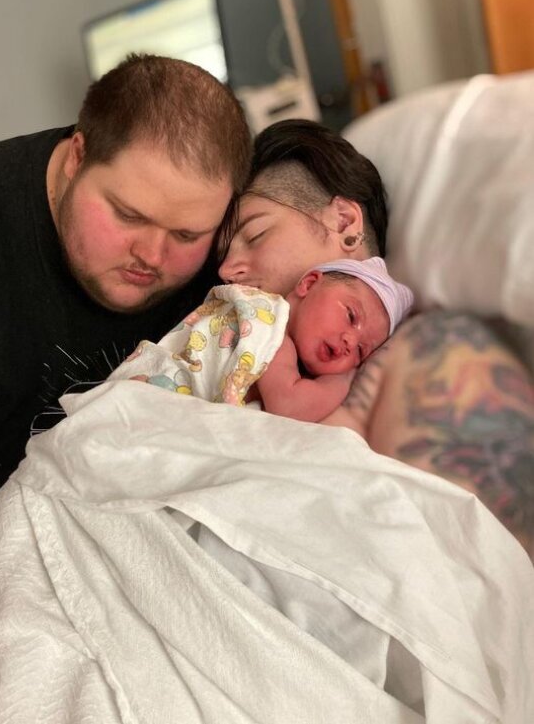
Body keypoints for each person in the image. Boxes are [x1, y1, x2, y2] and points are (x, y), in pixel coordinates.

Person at [0, 52, 252, 622]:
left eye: (185, 234)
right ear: (77, 156)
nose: (152, 255)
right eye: (128, 215)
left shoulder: (233, 245)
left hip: (149, 579)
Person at [219, 118, 534, 556]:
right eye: (222, 254)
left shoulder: (435, 349)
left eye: (254, 235)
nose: (227, 271)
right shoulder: (245, 348)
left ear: (344, 222)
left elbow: (492, 568)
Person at [111, 257, 413, 423]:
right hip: (147, 405)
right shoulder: (269, 324)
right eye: (350, 315)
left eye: (361, 351)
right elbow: (291, 406)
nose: (349, 340)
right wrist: (348, 377)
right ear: (309, 284)